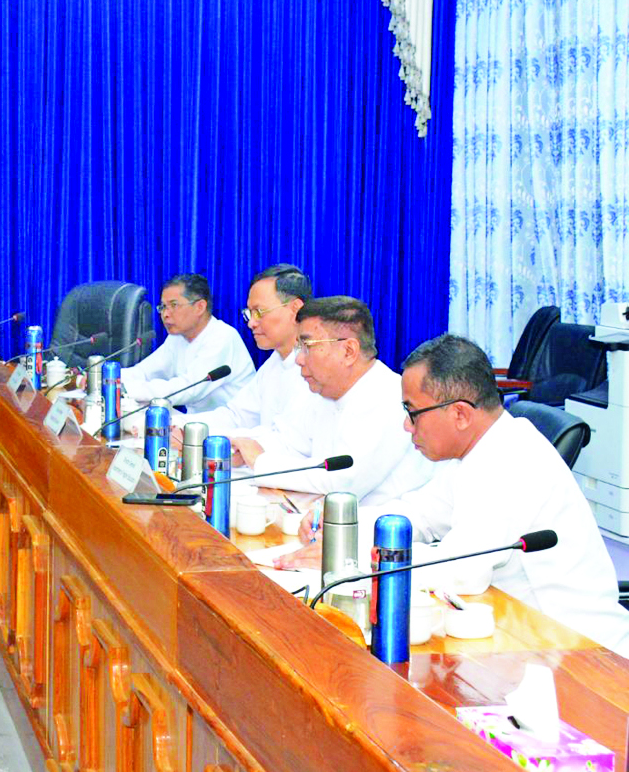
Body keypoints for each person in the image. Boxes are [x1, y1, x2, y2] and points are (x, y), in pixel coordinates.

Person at [284, 335, 629, 655]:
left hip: (578, 653)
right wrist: (342, 524)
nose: (407, 425)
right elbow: (420, 514)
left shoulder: (511, 458)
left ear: (460, 414)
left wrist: (354, 558)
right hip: (517, 637)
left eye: (412, 412)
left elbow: (463, 570)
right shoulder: (481, 450)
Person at [237, 296, 423, 504]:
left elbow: (341, 481)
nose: (299, 359)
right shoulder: (325, 391)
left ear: (349, 351)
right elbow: (291, 442)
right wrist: (244, 450)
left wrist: (260, 462)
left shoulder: (386, 396)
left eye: (307, 346)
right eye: (299, 347)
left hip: (377, 521)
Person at [181, 265, 320, 448]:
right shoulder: (274, 363)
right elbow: (236, 416)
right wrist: (182, 426)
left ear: (295, 309)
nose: (252, 323)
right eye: (249, 313)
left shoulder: (316, 368)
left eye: (259, 312)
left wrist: (223, 439)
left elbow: (286, 439)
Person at [120, 273, 254, 414]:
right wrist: (111, 378)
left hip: (232, 423)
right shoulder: (177, 338)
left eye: (174, 305)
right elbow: (144, 372)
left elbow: (188, 389)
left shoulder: (222, 336)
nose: (165, 314)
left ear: (200, 307)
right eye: (163, 307)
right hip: (197, 421)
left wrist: (128, 390)